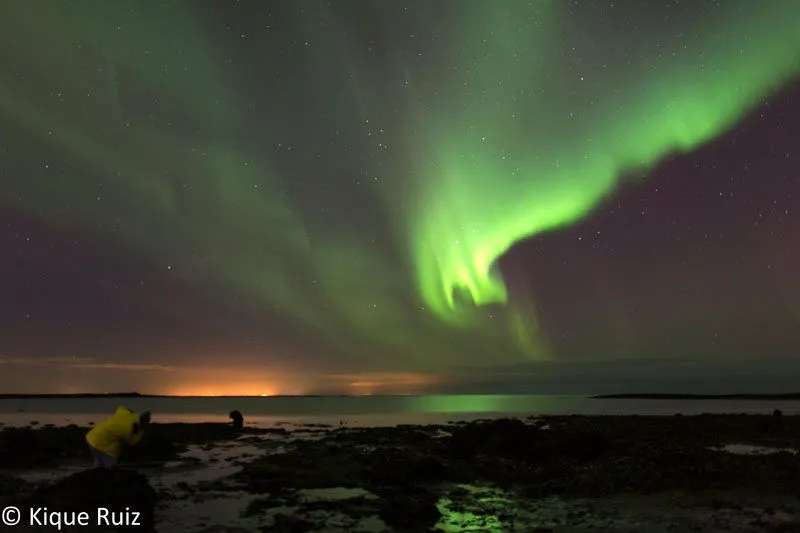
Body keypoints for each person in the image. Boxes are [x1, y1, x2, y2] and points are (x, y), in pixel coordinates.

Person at [85, 406, 151, 469]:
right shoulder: (128, 428)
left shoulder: (127, 414)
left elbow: (121, 408)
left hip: (91, 438)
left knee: (99, 463)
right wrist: (140, 432)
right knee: (110, 467)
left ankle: (95, 477)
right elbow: (132, 442)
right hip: (103, 445)